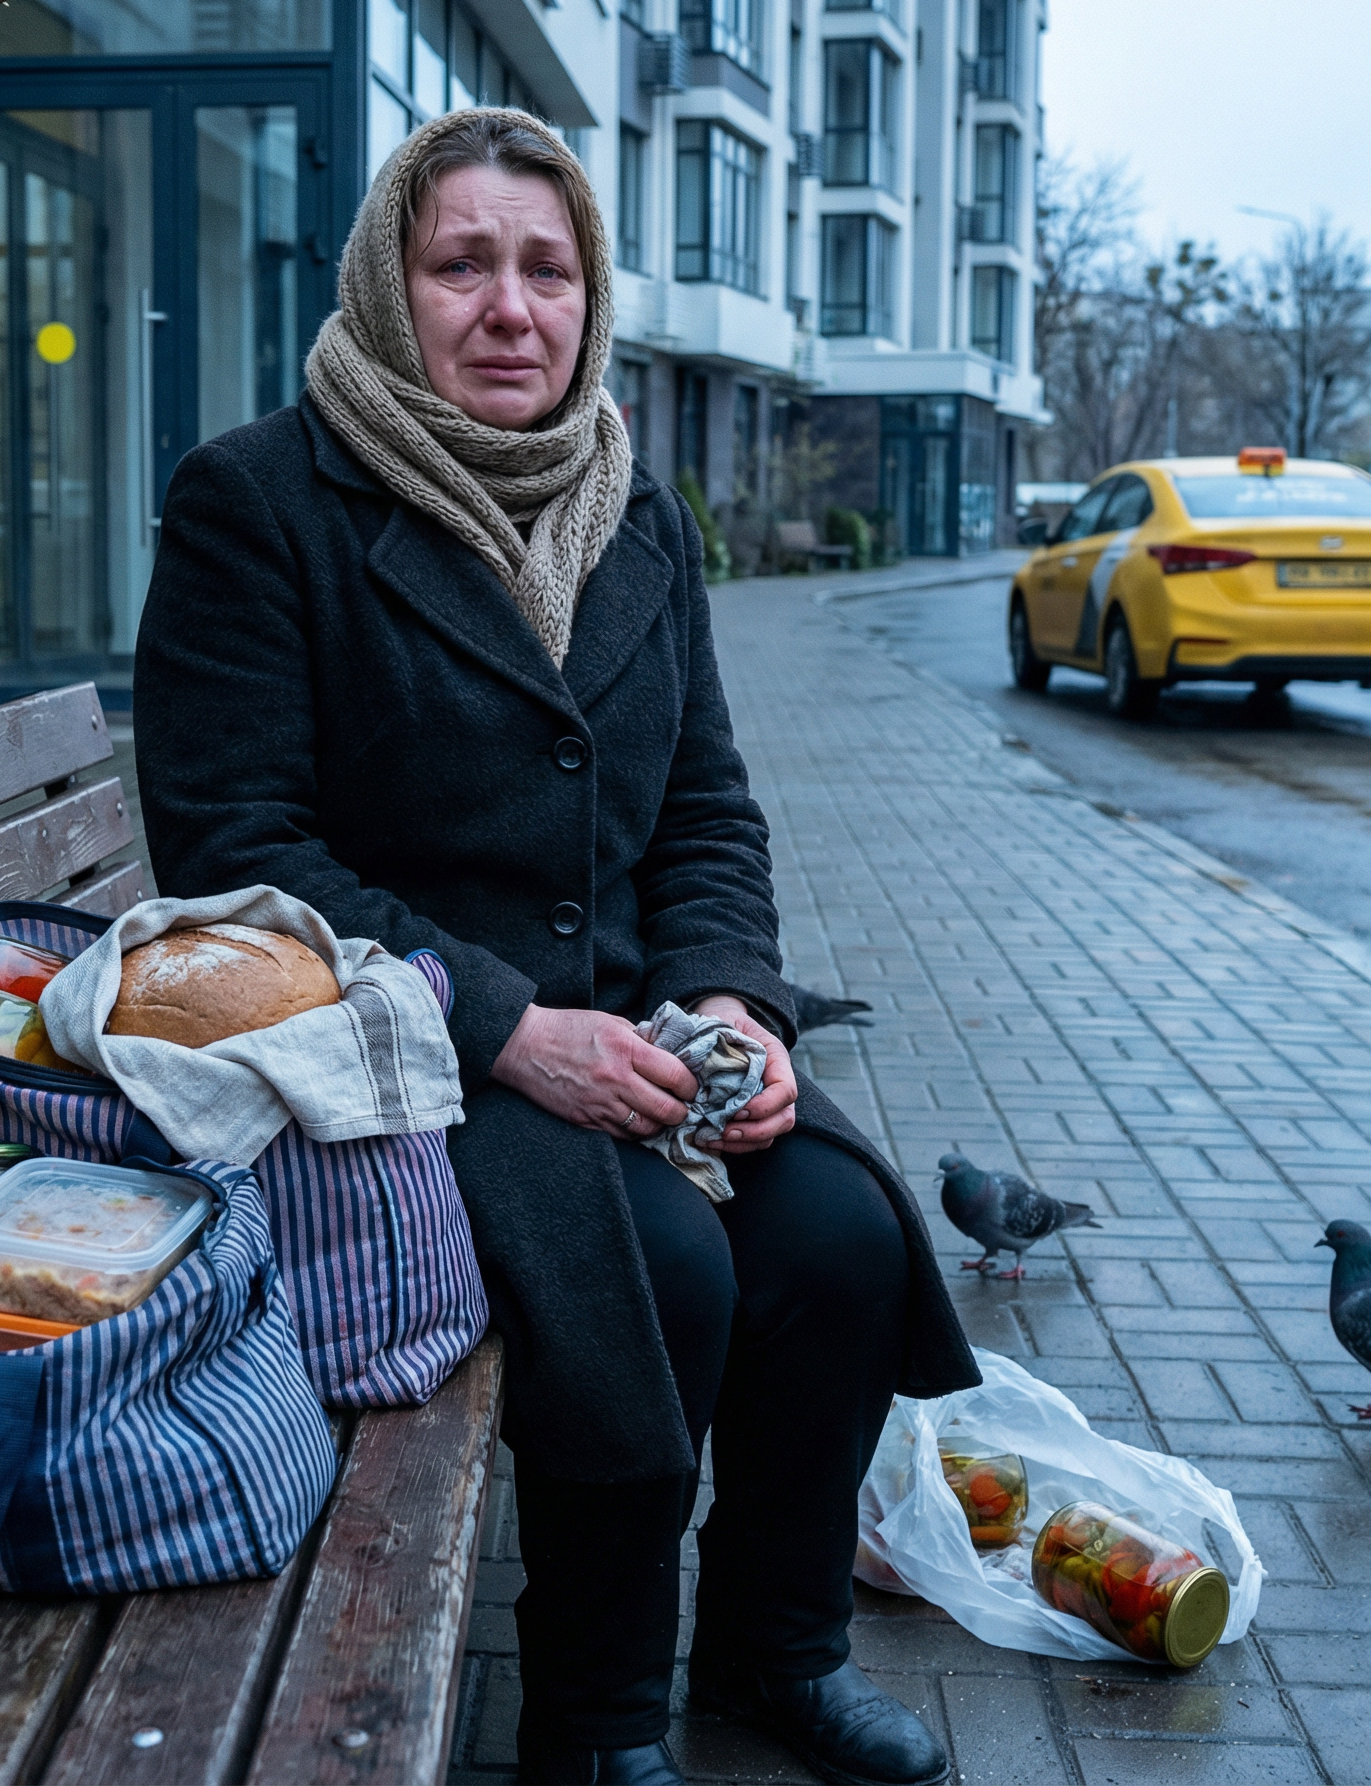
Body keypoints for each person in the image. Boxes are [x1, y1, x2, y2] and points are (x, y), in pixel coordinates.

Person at [134, 108, 978, 1786]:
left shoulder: (636, 516)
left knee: (837, 1239)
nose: (509, 307)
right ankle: (595, 1730)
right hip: (403, 1059)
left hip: (642, 1037)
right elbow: (241, 856)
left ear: (591, 300)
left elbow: (708, 815)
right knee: (650, 1266)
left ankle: (771, 1654)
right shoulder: (262, 502)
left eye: (547, 269)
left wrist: (735, 1001)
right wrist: (511, 1030)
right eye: (462, 266)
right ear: (392, 285)